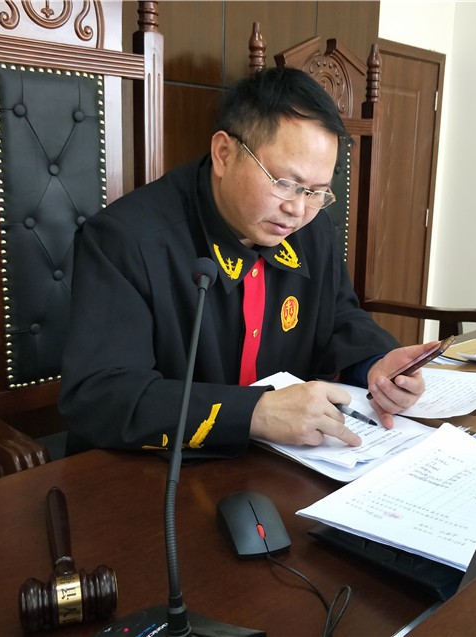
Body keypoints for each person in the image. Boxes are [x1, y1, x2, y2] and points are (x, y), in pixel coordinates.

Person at [59, 67, 439, 458]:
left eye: (317, 192)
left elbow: (338, 316)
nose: (297, 210)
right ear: (224, 154)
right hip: (159, 468)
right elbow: (100, 396)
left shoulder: (312, 227)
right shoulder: (126, 241)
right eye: (285, 183)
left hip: (286, 463)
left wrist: (376, 365)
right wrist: (255, 412)